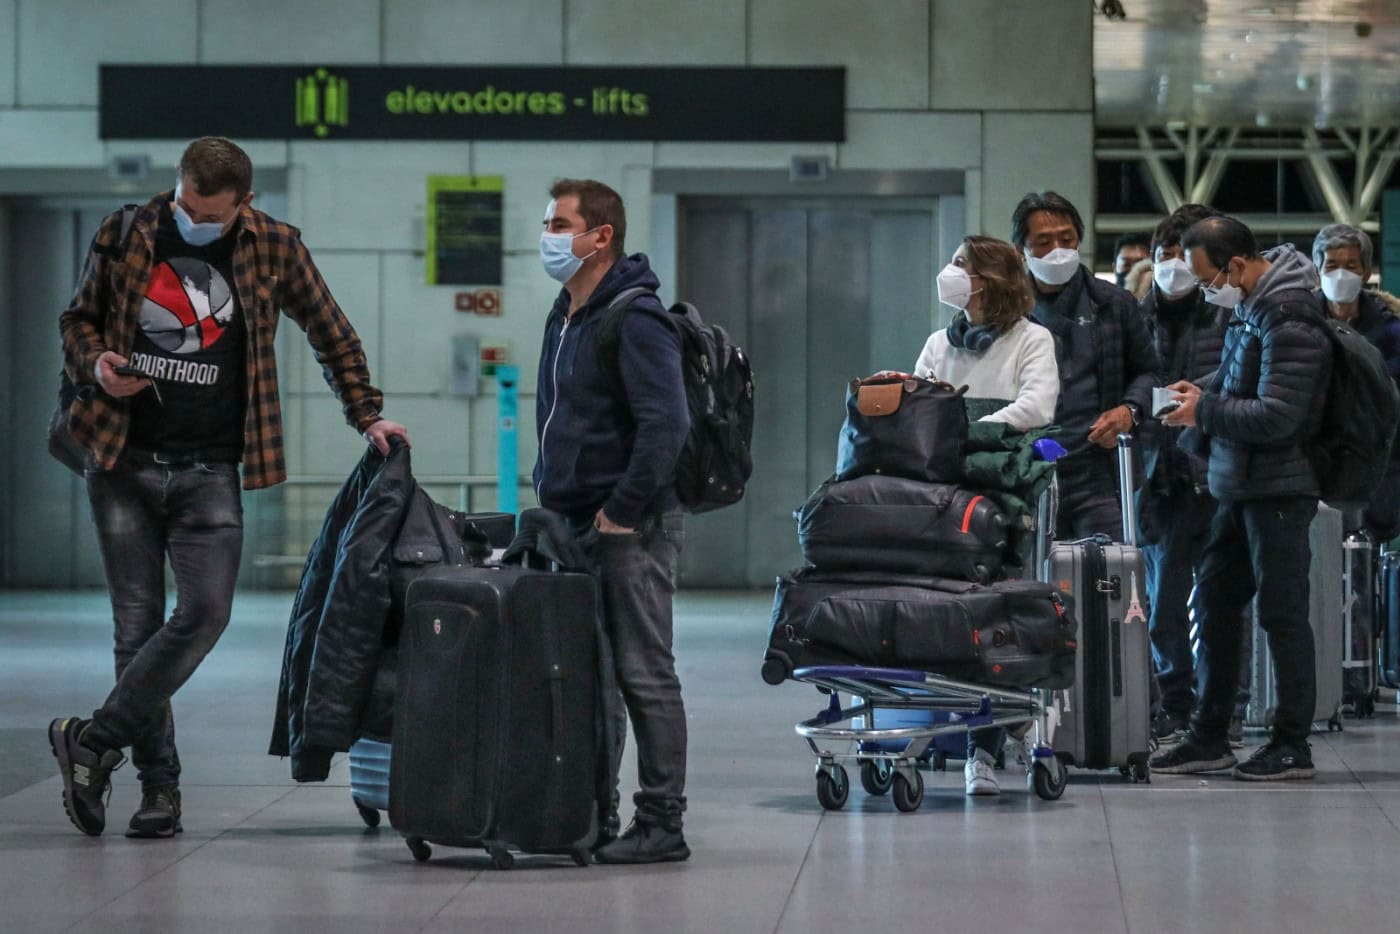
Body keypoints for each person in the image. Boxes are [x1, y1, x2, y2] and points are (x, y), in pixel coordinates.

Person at [49, 136, 409, 838]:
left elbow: (332, 332)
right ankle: (160, 791)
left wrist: (365, 412)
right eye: (185, 206)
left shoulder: (275, 246)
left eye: (208, 216)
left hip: (212, 465)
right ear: (176, 188)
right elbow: (77, 320)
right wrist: (98, 367)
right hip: (122, 459)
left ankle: (92, 741)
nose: (193, 222)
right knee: (136, 626)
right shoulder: (126, 230)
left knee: (206, 612)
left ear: (243, 204)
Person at [532, 178, 691, 863]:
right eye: (548, 222)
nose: (548, 235)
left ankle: (662, 824)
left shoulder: (636, 316)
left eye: (560, 223)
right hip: (572, 521)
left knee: (643, 673)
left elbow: (668, 423)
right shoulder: (565, 313)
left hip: (629, 528)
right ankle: (594, 814)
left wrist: (623, 511)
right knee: (590, 676)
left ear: (600, 236)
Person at [1150, 215, 1331, 781]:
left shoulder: (1290, 314)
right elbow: (1241, 376)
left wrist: (1201, 411)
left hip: (1279, 486)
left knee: (1281, 614)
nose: (1207, 292)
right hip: (1241, 483)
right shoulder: (1254, 306)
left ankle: (1291, 744)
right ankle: (1210, 734)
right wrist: (1199, 388)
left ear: (1235, 264)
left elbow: (1280, 414)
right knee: (1214, 604)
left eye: (1208, 280)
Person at [915, 234, 1059, 796]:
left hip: (1004, 493)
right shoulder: (937, 343)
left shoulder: (1032, 340)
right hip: (945, 494)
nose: (949, 272)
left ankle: (991, 742)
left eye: (960, 264)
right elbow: (922, 404)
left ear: (988, 280)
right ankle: (979, 731)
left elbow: (1036, 407)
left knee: (997, 614)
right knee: (951, 615)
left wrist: (971, 431)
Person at [1013, 191, 1160, 539]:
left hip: (1097, 471)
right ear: (1022, 250)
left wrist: (1130, 410)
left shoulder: (1113, 303)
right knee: (1027, 579)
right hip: (1025, 470)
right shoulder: (1006, 311)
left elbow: (1151, 372)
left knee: (1108, 576)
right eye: (1044, 242)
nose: (1058, 250)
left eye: (1067, 239)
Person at [1135, 203, 1229, 743]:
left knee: (1220, 598)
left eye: (1182, 256)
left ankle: (1224, 704)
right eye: (1164, 255)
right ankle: (1175, 701)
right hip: (1159, 478)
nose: (1173, 266)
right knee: (1163, 601)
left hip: (1214, 472)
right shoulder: (1135, 318)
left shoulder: (1224, 315)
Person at [1312, 223, 1400, 541]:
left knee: (1372, 552)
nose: (1341, 274)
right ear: (1317, 270)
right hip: (1317, 465)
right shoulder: (1299, 324)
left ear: (1365, 273)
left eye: (1351, 266)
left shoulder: (1391, 330)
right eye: (1332, 265)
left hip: (1380, 471)